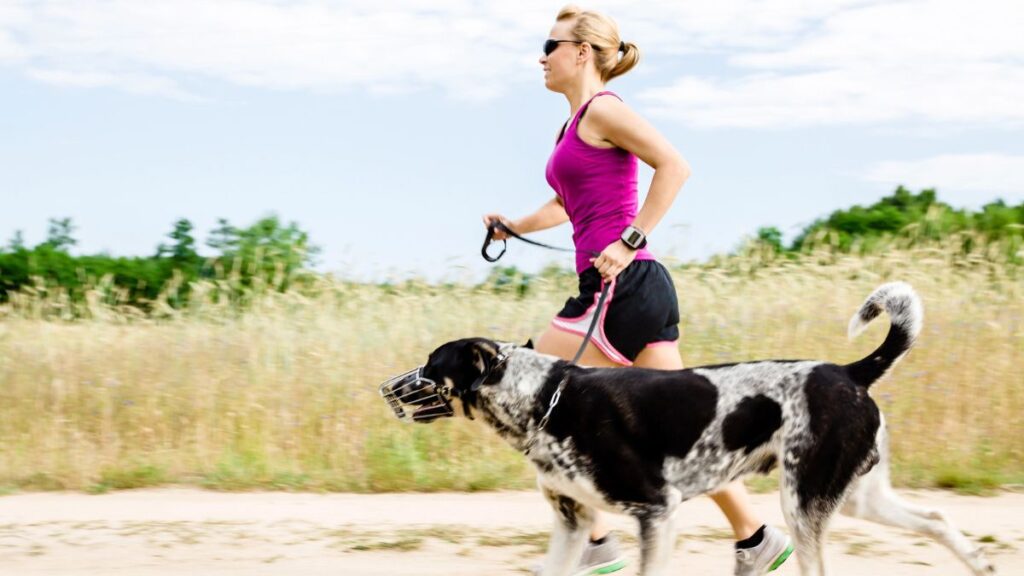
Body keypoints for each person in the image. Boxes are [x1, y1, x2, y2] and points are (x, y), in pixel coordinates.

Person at [483, 5, 793, 576]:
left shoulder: (605, 110)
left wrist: (629, 240)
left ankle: (596, 542)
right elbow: (567, 202)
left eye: (549, 45)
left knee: (531, 392)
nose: (540, 56)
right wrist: (515, 226)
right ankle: (756, 540)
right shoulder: (574, 125)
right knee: (682, 424)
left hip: (619, 285)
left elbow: (674, 166)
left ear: (581, 53)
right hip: (631, 288)